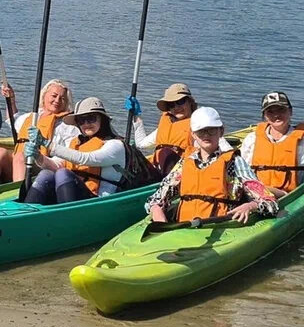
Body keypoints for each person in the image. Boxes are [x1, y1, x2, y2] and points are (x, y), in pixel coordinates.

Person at [146, 107, 278, 224]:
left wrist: (250, 206)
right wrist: (157, 210)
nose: (206, 135)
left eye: (211, 131)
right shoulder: (185, 162)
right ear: (193, 134)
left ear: (221, 132)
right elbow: (155, 199)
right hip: (183, 228)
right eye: (201, 131)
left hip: (222, 227)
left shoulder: (235, 162)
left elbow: (269, 202)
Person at [23, 97, 130, 205]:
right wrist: (38, 156)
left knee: (63, 173)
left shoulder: (115, 145)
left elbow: (85, 159)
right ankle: (27, 210)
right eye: (81, 120)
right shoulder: (77, 143)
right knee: (46, 174)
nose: (86, 123)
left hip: (99, 202)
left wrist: (47, 143)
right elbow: (57, 164)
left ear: (102, 120)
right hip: (77, 196)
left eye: (91, 118)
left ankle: (67, 216)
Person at [0, 79, 77, 182]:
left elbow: (71, 154)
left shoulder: (68, 125)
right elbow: (12, 120)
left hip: (46, 167)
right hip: (21, 163)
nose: (57, 100)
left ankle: (19, 193)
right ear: (44, 96)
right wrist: (11, 100)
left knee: (20, 156)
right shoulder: (33, 116)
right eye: (54, 96)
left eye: (62, 98)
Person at [237, 92, 304, 197]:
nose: (276, 115)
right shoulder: (252, 139)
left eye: (281, 110)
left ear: (290, 112)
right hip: (254, 193)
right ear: (264, 116)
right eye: (270, 112)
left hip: (288, 196)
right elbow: (241, 170)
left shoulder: (302, 140)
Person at [130, 83, 200, 174]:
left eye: (180, 102)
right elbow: (141, 144)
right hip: (158, 171)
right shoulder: (166, 124)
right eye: (171, 104)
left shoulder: (199, 124)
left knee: (165, 152)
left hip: (181, 172)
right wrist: (136, 115)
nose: (176, 107)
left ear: (190, 102)